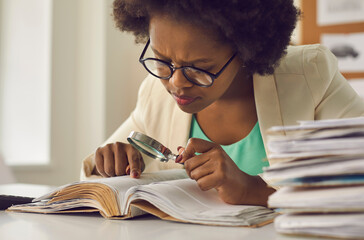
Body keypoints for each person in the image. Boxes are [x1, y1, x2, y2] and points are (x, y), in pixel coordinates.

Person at [81, 0, 364, 206]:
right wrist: (106, 165)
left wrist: (255, 191)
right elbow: (91, 184)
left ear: (247, 49)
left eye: (199, 67)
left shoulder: (309, 77)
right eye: (163, 60)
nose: (176, 82)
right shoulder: (155, 95)